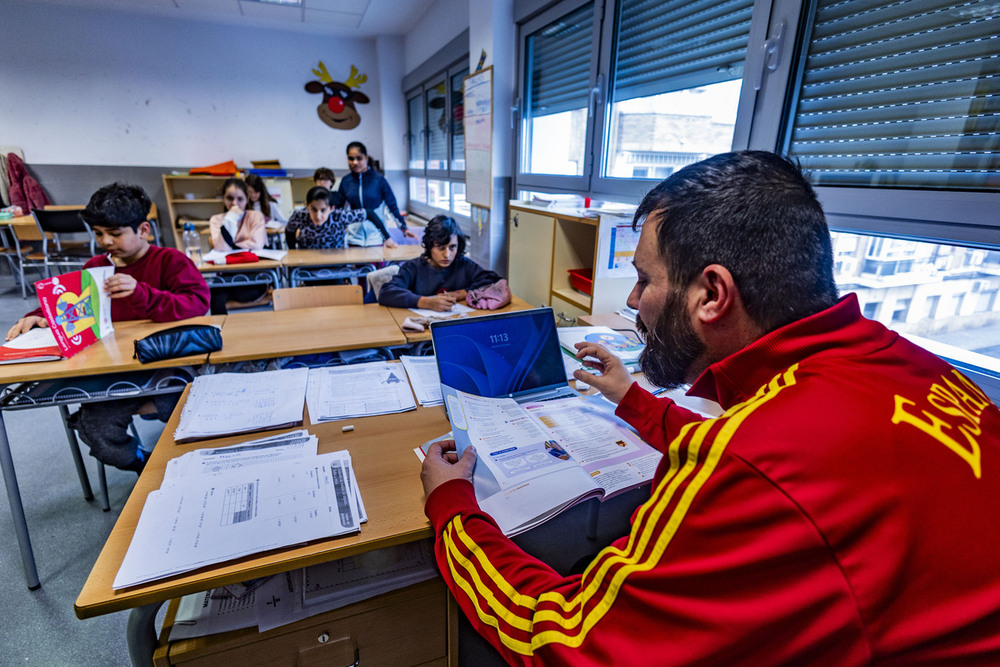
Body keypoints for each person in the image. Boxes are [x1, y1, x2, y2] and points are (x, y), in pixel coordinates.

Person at [420, 151, 1000, 664]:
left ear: (712, 295)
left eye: (644, 279)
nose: (630, 300)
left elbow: (568, 643)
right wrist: (634, 401)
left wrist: (450, 504)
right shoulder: (919, 369)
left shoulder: (753, 462)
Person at [6, 183, 210, 473]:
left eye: (115, 233)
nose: (106, 241)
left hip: (166, 366)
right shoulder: (95, 268)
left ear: (143, 230)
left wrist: (142, 294)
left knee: (190, 401)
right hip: (111, 373)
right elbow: (67, 304)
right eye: (99, 233)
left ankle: (194, 461)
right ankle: (143, 462)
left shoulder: (170, 261)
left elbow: (197, 303)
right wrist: (38, 315)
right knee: (96, 430)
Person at [378, 215, 500, 311]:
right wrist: (424, 302)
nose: (447, 255)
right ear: (430, 246)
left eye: (452, 247)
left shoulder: (464, 265)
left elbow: (493, 280)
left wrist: (462, 294)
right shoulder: (412, 268)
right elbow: (386, 293)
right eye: (440, 247)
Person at [338, 141, 416, 244]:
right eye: (351, 159)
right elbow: (338, 209)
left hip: (376, 237)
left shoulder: (379, 180)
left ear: (366, 157)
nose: (355, 162)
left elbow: (392, 206)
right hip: (354, 239)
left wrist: (403, 227)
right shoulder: (346, 181)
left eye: (359, 158)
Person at [284, 186, 370, 250]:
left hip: (337, 263)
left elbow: (369, 213)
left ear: (331, 208)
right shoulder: (299, 215)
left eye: (323, 210)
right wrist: (293, 251)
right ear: (307, 206)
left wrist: (384, 237)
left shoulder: (340, 216)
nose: (318, 216)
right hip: (307, 264)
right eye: (313, 209)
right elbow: (289, 231)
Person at [208, 178, 267, 251]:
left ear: (247, 199)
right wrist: (232, 216)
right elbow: (222, 248)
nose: (234, 203)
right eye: (230, 198)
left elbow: (257, 245)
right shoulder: (216, 219)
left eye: (240, 199)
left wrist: (231, 245)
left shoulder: (256, 216)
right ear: (224, 198)